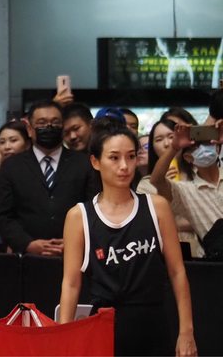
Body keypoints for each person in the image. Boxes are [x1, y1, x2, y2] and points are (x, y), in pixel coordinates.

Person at [59, 118, 197, 356]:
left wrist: (186, 332)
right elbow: (71, 284)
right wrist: (63, 338)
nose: (124, 166)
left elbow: (177, 272)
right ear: (95, 161)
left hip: (154, 325)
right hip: (104, 327)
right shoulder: (78, 216)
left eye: (131, 156)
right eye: (114, 157)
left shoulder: (156, 207)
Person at [0, 100, 100, 256]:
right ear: (29, 129)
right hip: (28, 257)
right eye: (42, 123)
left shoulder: (84, 164)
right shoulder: (11, 167)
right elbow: (3, 216)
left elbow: (95, 209)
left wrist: (75, 241)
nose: (49, 127)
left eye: (55, 122)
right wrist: (27, 244)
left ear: (62, 126)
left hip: (76, 254)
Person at [150, 122, 223, 254]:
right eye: (196, 146)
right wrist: (174, 147)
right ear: (188, 157)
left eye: (208, 143)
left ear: (217, 148)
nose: (204, 148)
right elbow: (157, 180)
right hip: (217, 257)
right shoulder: (186, 191)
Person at [137, 119, 203, 257]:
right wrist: (163, 185)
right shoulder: (146, 184)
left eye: (171, 137)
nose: (167, 144)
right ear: (153, 147)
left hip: (204, 251)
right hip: (165, 252)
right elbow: (150, 223)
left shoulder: (200, 174)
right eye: (159, 139)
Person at [0, 120, 31, 185]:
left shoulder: (35, 169)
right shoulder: (2, 171)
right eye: (2, 142)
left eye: (13, 140)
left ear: (27, 144)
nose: (7, 147)